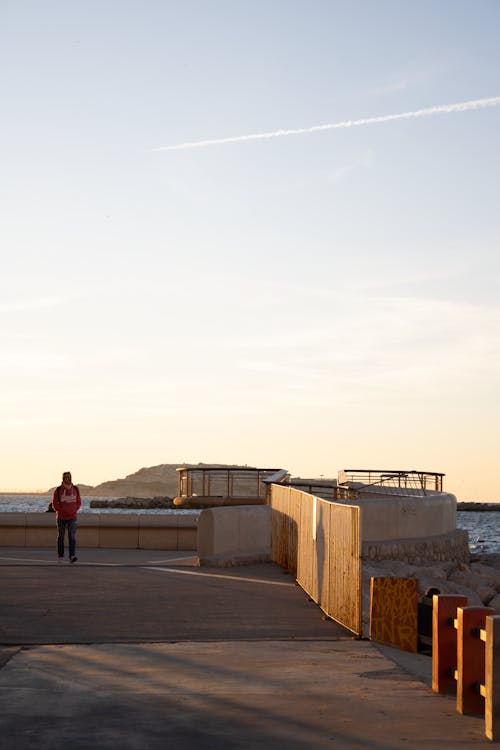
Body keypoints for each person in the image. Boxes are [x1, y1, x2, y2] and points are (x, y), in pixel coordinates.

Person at [52, 471, 81, 563]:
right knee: (61, 537)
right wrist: (62, 510)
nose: (69, 478)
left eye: (70, 477)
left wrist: (74, 510)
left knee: (72, 537)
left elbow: (79, 502)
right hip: (61, 517)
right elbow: (54, 504)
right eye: (67, 477)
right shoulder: (58, 490)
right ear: (63, 479)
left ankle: (72, 556)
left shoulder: (76, 489)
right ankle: (60, 556)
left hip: (72, 517)